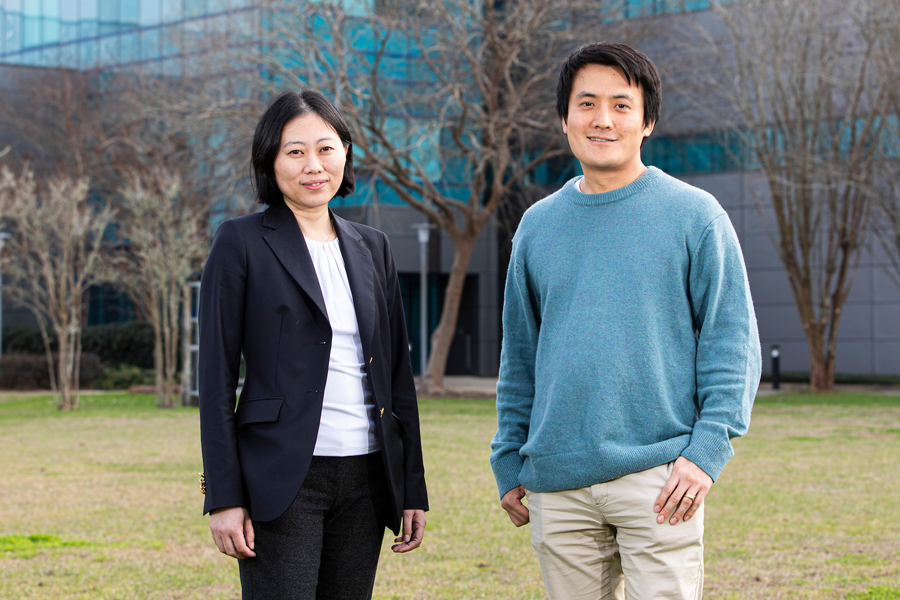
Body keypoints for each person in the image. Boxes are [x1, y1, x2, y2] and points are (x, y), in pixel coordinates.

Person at [490, 43, 761, 599]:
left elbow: (731, 343)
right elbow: (520, 355)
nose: (603, 119)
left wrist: (706, 453)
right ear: (564, 118)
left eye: (621, 104)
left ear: (648, 121)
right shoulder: (537, 227)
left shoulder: (695, 216)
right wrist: (508, 457)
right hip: (557, 480)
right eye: (587, 103)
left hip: (661, 477)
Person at [198, 90, 428, 599]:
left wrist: (411, 485)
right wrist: (223, 496)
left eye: (325, 148)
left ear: (344, 152)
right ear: (270, 160)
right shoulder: (239, 242)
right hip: (282, 480)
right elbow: (214, 380)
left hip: (367, 477)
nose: (313, 165)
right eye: (294, 151)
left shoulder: (373, 246)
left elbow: (396, 375)